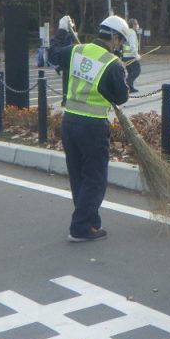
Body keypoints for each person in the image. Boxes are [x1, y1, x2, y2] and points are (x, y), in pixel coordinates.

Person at [60, 15, 129, 242]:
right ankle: (79, 228)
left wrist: (62, 31)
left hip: (69, 122)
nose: (120, 46)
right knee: (96, 179)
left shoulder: (76, 51)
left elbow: (53, 55)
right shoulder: (112, 63)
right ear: (115, 37)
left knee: (79, 176)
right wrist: (120, 76)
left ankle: (91, 223)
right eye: (121, 41)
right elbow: (121, 96)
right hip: (93, 126)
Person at [48, 15, 77, 105]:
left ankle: (66, 98)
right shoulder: (67, 36)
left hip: (67, 64)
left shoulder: (60, 36)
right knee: (68, 80)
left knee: (67, 80)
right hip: (68, 64)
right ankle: (67, 98)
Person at [122, 18, 142, 92]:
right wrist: (136, 55)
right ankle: (126, 84)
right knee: (137, 70)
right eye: (136, 24)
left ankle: (130, 88)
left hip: (125, 56)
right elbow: (132, 45)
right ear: (133, 25)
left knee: (130, 71)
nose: (137, 25)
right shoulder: (132, 33)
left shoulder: (126, 32)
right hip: (131, 56)